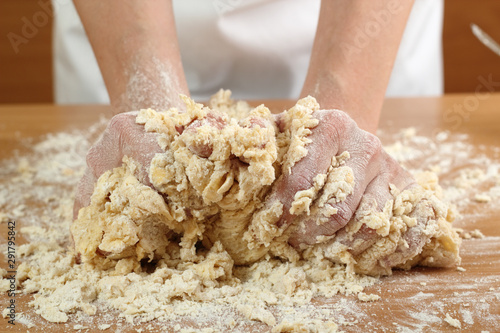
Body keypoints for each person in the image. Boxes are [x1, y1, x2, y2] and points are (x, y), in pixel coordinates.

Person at [68, 0, 441, 248]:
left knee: (342, 187)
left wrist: (345, 104)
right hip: (119, 22)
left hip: (366, 27)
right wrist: (150, 105)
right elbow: (151, 122)